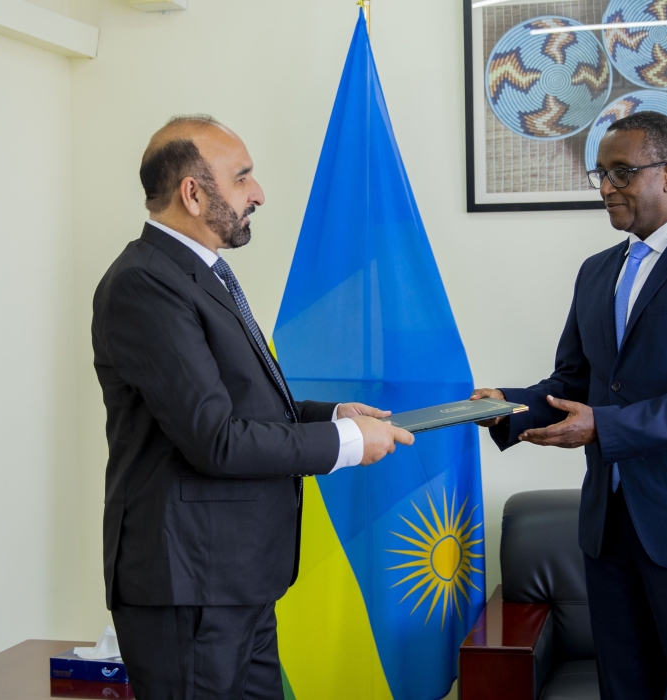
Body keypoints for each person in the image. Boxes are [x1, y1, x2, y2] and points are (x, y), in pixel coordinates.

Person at [91, 114, 414, 699]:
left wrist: (334, 416)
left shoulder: (201, 275)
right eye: (242, 179)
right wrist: (346, 446)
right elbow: (216, 438)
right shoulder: (145, 284)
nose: (257, 193)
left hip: (237, 581)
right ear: (193, 193)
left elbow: (244, 405)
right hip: (188, 586)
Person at [472, 111, 667, 700]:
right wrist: (510, 405)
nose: (607, 188)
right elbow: (577, 381)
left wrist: (603, 428)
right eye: (601, 174)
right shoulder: (596, 271)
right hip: (609, 530)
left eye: (622, 173)